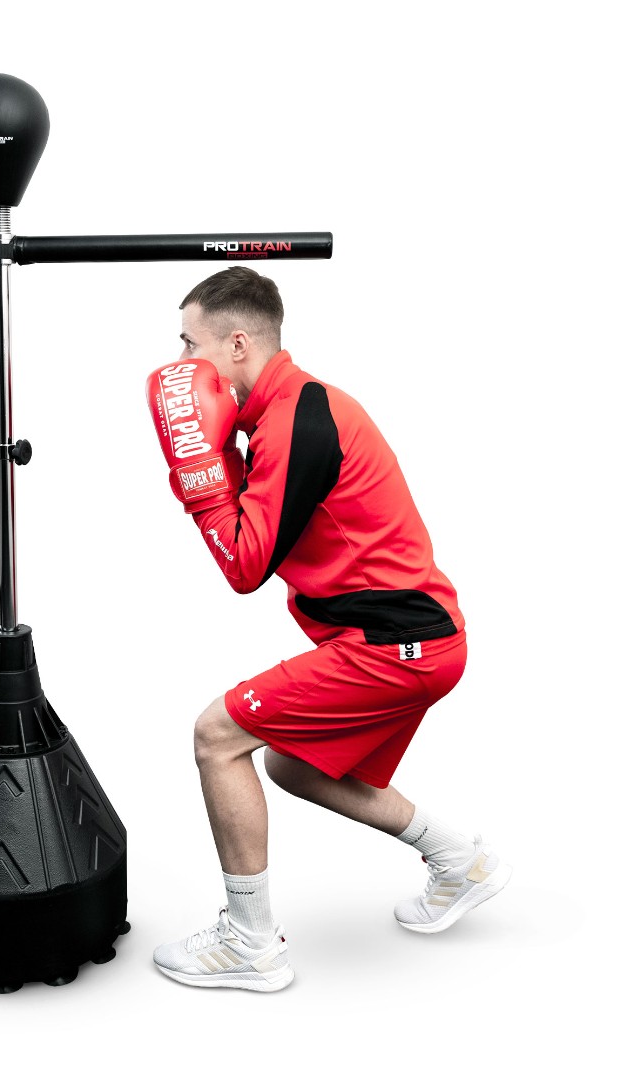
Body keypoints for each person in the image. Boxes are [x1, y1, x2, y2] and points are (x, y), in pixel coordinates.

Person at [144, 266, 510, 992]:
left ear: (237, 343)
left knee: (217, 737)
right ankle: (460, 861)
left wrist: (200, 472)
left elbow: (245, 565)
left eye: (190, 343)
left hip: (396, 647)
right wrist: (221, 450)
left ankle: (249, 943)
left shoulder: (295, 424)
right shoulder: (287, 412)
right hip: (411, 640)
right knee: (293, 764)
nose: (182, 362)